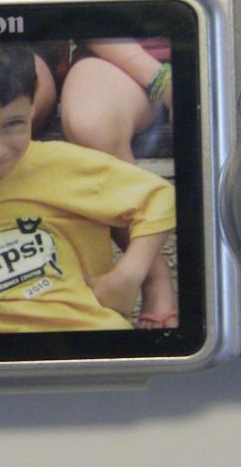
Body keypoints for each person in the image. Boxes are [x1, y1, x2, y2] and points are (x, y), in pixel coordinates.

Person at [0, 44, 176, 334]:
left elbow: (159, 197)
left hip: (82, 334)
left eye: (13, 124)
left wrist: (128, 275)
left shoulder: (59, 165)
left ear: (33, 103)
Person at [41, 38, 178, 329]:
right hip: (119, 60)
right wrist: (165, 83)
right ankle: (151, 274)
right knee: (91, 123)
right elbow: (90, 19)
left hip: (218, 53)